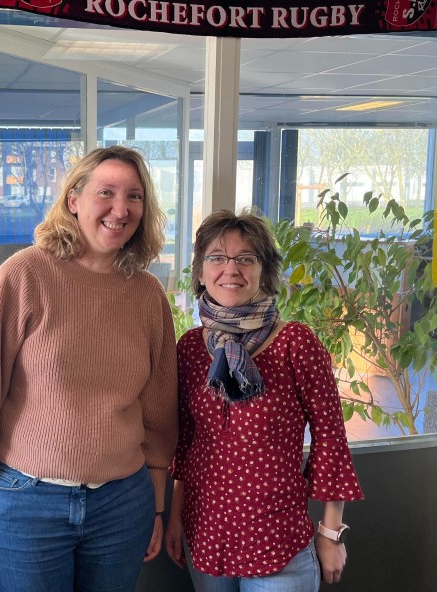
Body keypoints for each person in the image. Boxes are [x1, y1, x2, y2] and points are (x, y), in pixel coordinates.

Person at [0, 146, 179, 591]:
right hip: (25, 505)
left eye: (134, 196)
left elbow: (159, 413)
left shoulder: (148, 296)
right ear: (73, 200)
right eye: (106, 192)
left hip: (122, 505)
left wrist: (156, 505)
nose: (121, 209)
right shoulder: (23, 276)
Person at [164, 209, 363, 591]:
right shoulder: (189, 348)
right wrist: (175, 517)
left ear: (264, 271)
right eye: (217, 257)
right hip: (206, 536)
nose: (231, 269)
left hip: (277, 542)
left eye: (245, 258)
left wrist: (331, 532)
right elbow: (186, 444)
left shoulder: (296, 344)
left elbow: (331, 439)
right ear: (201, 272)